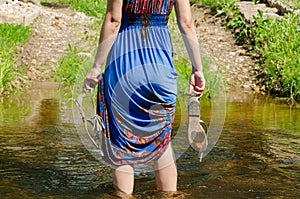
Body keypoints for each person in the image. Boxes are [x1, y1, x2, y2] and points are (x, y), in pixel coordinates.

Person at [83, 0, 205, 197]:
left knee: (121, 143)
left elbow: (114, 21)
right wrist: (197, 69)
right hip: (161, 68)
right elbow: (187, 23)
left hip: (124, 67)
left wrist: (96, 67)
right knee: (162, 141)